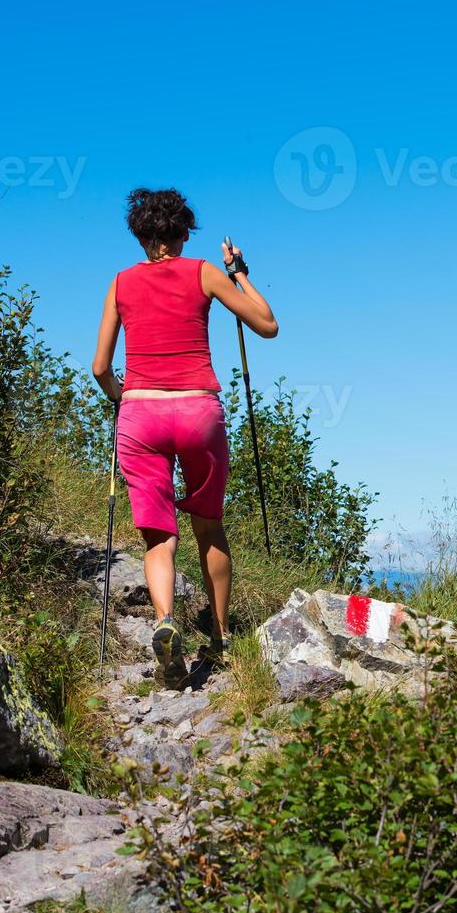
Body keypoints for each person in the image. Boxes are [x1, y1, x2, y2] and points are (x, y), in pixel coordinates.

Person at [91, 188, 279, 686]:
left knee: (158, 535)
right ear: (182, 232)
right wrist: (240, 273)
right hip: (198, 410)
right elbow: (267, 325)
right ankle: (219, 639)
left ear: (141, 236)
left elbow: (100, 368)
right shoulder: (204, 272)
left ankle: (165, 622)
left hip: (141, 414)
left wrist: (120, 395)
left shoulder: (120, 283)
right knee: (209, 528)